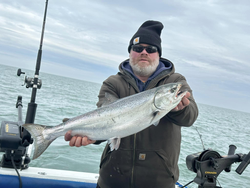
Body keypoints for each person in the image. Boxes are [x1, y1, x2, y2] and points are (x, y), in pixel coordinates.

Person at [64, 20, 199, 188]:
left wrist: (180, 109)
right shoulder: (113, 83)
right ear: (130, 52)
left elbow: (190, 117)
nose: (144, 52)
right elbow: (104, 121)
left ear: (158, 54)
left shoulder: (175, 81)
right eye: (137, 48)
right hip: (112, 180)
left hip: (158, 182)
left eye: (150, 49)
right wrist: (91, 136)